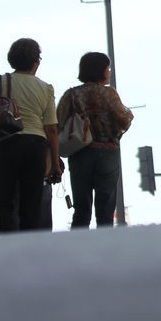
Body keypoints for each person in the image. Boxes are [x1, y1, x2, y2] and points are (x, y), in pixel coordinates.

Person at [0, 38, 63, 233]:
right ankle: (27, 246)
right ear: (36, 62)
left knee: (1, 202)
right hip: (36, 145)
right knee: (31, 203)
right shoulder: (46, 88)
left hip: (6, 143)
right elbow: (51, 129)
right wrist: (56, 163)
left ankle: (9, 238)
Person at [56, 52, 133, 230]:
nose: (110, 71)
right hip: (108, 154)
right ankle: (104, 251)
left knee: (82, 210)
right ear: (100, 70)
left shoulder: (71, 95)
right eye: (108, 68)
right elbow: (123, 121)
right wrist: (129, 114)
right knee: (105, 211)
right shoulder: (109, 94)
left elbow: (58, 123)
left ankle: (78, 250)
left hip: (80, 154)